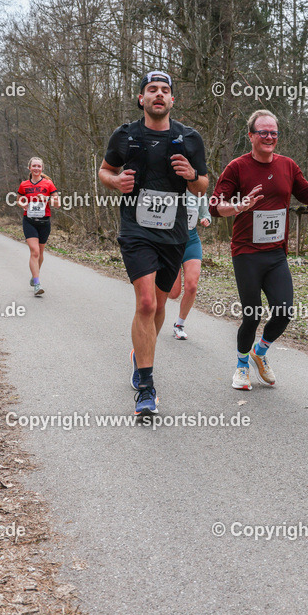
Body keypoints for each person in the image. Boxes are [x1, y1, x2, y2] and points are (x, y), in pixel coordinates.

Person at [209, 109, 308, 390]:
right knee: (252, 314)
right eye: (263, 132)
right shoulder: (237, 167)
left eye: (274, 132)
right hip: (246, 252)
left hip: (276, 254)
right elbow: (215, 207)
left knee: (283, 311)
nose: (269, 137)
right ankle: (242, 366)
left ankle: (260, 353)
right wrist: (239, 206)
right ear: (251, 136)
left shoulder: (287, 166)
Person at [98, 70, 208, 415]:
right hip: (136, 230)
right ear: (141, 99)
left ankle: (139, 353)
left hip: (174, 233)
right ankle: (146, 387)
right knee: (145, 304)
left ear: (172, 100)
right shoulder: (126, 135)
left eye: (165, 90)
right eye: (151, 90)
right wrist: (115, 182)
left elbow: (203, 184)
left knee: (160, 307)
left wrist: (192, 176)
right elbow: (103, 170)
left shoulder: (189, 138)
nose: (158, 95)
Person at [167, 191, 210, 340]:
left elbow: (206, 214)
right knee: (173, 293)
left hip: (191, 241)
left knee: (192, 286)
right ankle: (155, 286)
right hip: (170, 242)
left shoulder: (198, 190)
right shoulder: (168, 185)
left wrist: (205, 219)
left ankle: (179, 325)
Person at [17, 157, 59, 296]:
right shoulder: (24, 185)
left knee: (40, 254)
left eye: (38, 166)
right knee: (34, 251)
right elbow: (19, 200)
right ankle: (37, 283)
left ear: (42, 168)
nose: (36, 168)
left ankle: (34, 276)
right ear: (29, 168)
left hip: (44, 221)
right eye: (34, 166)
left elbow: (57, 203)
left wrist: (46, 198)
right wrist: (22, 204)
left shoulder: (48, 183)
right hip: (29, 220)